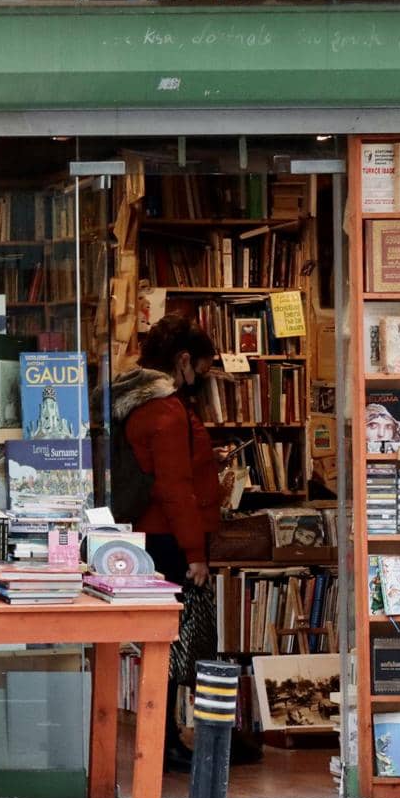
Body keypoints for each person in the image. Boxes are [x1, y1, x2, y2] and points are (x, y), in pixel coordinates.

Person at [110, 314, 232, 771]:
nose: (202, 380)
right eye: (200, 370)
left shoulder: (139, 403)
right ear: (183, 361)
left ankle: (162, 739)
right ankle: (163, 744)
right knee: (174, 646)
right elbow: (175, 486)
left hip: (155, 536)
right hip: (169, 541)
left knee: (165, 645)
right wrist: (196, 554)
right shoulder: (166, 410)